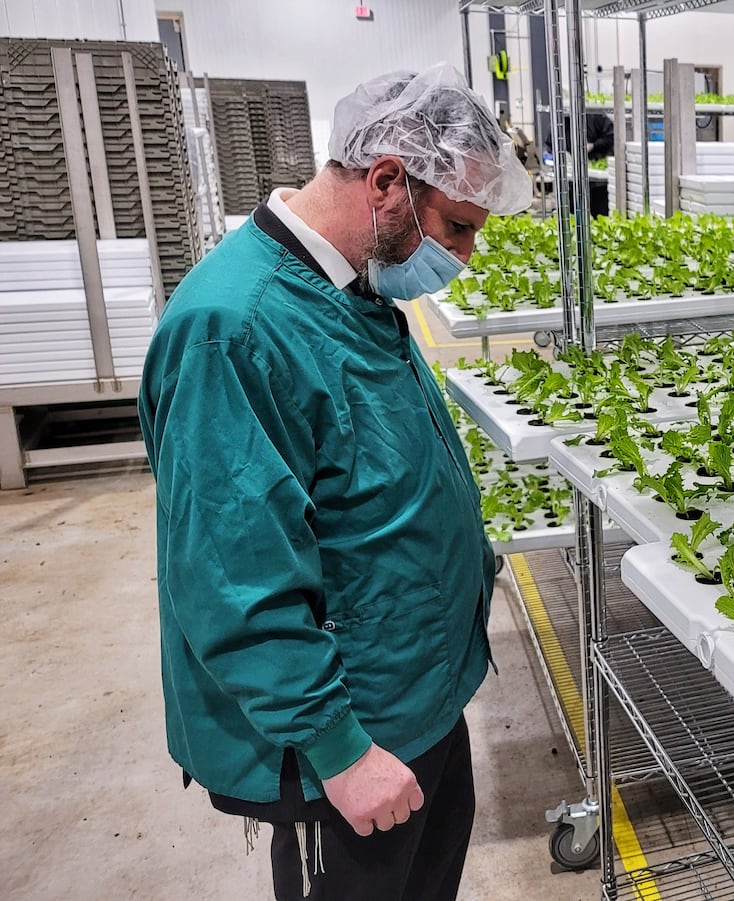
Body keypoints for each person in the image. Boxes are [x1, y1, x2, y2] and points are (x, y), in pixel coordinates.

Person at [138, 63, 531, 901]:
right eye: (457, 227)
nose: (464, 256)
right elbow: (232, 578)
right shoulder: (234, 328)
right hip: (351, 745)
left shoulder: (351, 289)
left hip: (416, 694)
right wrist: (340, 749)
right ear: (387, 182)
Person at [543, 110, 615, 215]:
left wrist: (593, 146)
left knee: (599, 218)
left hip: (598, 184)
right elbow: (549, 146)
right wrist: (550, 157)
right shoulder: (559, 122)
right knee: (575, 217)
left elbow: (611, 136)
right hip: (571, 183)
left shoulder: (596, 116)